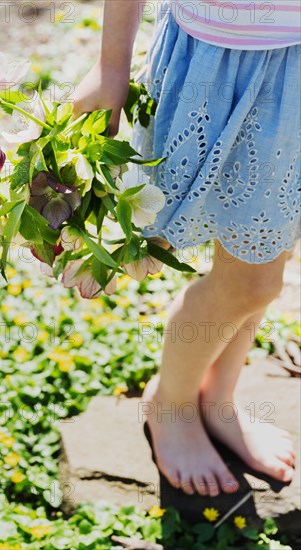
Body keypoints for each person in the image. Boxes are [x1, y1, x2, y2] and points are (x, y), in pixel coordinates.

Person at [71, 0, 301, 496]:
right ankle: (171, 402)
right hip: (218, 59)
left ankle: (218, 398)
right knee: (253, 280)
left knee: (260, 256)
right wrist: (110, 65)